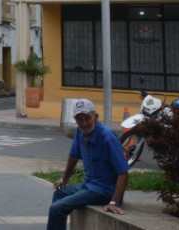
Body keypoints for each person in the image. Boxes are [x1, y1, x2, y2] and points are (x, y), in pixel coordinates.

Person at [46, 98, 129, 230]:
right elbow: (73, 156)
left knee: (57, 208)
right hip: (89, 185)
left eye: (87, 118)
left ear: (95, 117)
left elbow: (123, 173)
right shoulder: (80, 132)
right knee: (59, 194)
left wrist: (114, 202)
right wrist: (64, 179)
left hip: (104, 190)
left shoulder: (107, 137)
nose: (84, 123)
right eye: (79, 119)